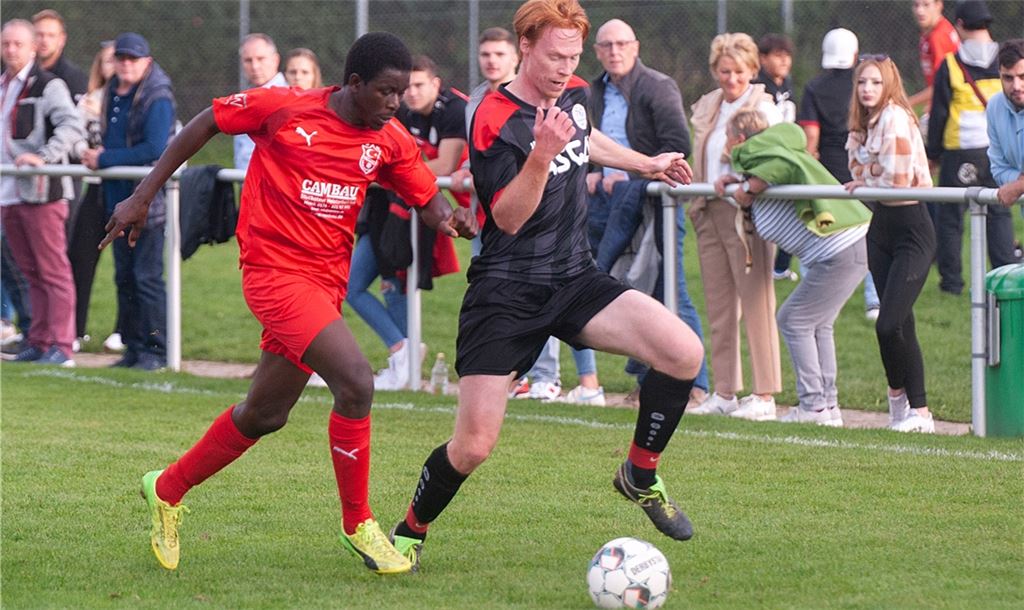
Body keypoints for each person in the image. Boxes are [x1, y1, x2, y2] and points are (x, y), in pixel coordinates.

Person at [101, 31, 475, 575]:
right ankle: (359, 524)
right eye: (386, 92)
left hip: (324, 286)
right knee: (356, 381)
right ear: (353, 84)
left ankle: (167, 487)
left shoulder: (388, 139)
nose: (396, 103)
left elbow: (425, 196)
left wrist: (449, 219)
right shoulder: (284, 108)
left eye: (402, 92)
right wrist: (143, 194)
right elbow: (206, 122)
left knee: (265, 414)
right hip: (273, 275)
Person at [387, 0, 701, 572]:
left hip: (574, 277)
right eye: (555, 56)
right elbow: (507, 217)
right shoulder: (492, 117)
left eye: (574, 56)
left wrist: (644, 162)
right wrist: (541, 153)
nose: (565, 68)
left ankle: (639, 474)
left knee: (683, 352)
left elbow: (585, 141)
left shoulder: (575, 93)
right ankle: (409, 531)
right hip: (507, 291)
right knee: (473, 447)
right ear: (525, 47)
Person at [715, 109, 871, 427]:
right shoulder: (768, 162)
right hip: (841, 250)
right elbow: (771, 177)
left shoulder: (770, 158)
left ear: (740, 140)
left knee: (793, 319)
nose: (726, 147)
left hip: (841, 249)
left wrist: (751, 184)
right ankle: (827, 407)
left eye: (728, 139)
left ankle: (813, 406)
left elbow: (782, 167)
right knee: (818, 324)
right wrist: (741, 183)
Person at [587, 17, 708, 408]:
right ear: (596, 51)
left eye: (622, 44)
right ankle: (647, 383)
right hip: (608, 202)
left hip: (655, 198)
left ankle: (695, 384)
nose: (614, 52)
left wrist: (630, 174)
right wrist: (593, 172)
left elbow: (676, 144)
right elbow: (586, 143)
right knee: (629, 289)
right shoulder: (591, 91)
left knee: (670, 287)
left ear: (636, 47)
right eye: (606, 45)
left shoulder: (658, 86)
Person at [351, 54, 467, 391]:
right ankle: (403, 351)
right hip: (389, 208)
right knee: (358, 285)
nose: (411, 93)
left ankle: (406, 355)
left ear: (435, 84)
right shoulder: (397, 108)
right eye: (407, 87)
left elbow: (445, 165)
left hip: (441, 211)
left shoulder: (454, 109)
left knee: (394, 279)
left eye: (419, 85)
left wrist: (392, 175)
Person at [686, 33, 783, 421]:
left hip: (747, 214)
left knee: (757, 303)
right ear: (715, 70)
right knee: (719, 307)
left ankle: (764, 394)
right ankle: (725, 391)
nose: (732, 79)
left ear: (753, 70)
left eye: (740, 71)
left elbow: (777, 159)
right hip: (708, 209)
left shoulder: (765, 107)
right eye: (725, 71)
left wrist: (747, 186)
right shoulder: (709, 104)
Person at [845, 57, 936, 433]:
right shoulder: (862, 122)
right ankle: (912, 408)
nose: (867, 89)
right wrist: (872, 173)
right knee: (900, 325)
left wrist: (869, 176)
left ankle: (909, 403)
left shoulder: (895, 116)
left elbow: (896, 179)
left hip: (912, 229)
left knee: (888, 323)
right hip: (880, 228)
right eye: (862, 82)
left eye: (876, 83)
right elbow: (853, 169)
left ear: (889, 86)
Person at [81, 33, 174, 372]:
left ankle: (156, 349)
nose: (126, 64)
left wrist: (104, 159)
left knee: (146, 278)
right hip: (117, 200)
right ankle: (133, 348)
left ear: (147, 61)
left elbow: (154, 148)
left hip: (148, 204)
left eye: (132, 58)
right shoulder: (112, 91)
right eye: (121, 58)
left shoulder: (157, 95)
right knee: (125, 278)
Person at [0, 19, 84, 367]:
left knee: (53, 271)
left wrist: (44, 157)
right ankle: (38, 340)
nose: (11, 50)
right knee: (29, 271)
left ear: (33, 47)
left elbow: (72, 125)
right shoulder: (3, 84)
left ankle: (62, 345)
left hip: (43, 193)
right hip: (8, 192)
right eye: (5, 44)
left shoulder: (49, 84)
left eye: (18, 44)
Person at [926, 0, 1016, 296]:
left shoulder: (952, 64)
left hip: (960, 151)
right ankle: (1005, 276)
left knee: (951, 218)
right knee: (999, 212)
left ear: (960, 25)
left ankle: (952, 284)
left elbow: (939, 113)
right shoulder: (1008, 62)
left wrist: (932, 153)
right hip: (999, 150)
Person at [799, 28, 881, 321]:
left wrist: (809, 166)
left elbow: (811, 136)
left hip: (827, 172)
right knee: (871, 234)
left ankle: (817, 297)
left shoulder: (813, 88)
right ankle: (874, 301)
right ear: (855, 54)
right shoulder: (866, 85)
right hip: (863, 170)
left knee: (819, 231)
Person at [68, 41, 116, 350]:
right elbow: (73, 136)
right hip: (95, 188)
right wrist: (84, 152)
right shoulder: (89, 100)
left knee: (128, 264)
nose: (116, 65)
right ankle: (75, 329)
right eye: (109, 60)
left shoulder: (141, 100)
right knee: (80, 256)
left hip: (127, 188)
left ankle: (125, 331)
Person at [752, 33, 800, 282]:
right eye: (778, 56)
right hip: (767, 158)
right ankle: (767, 265)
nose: (784, 61)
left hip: (788, 154)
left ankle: (780, 267)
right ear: (762, 58)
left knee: (794, 209)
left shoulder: (786, 84)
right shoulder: (758, 87)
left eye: (787, 56)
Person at [233, 33, 287, 170]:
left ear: (275, 60)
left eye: (260, 59)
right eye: (248, 60)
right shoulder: (243, 99)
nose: (255, 66)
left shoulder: (288, 97)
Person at [987, 39, 1024, 208]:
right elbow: (998, 168)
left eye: (1023, 77)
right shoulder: (995, 106)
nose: (1016, 86)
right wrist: (1019, 182)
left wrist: (1019, 186)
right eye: (1008, 78)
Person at [908, 0, 960, 109]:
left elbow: (943, 84)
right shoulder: (930, 33)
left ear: (938, 5)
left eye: (926, 5)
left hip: (951, 107)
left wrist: (908, 102)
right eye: (916, 5)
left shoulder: (938, 37)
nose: (920, 11)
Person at [31, 9, 87, 103]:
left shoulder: (74, 78)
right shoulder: (22, 73)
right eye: (39, 35)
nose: (44, 41)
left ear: (62, 40)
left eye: (51, 35)